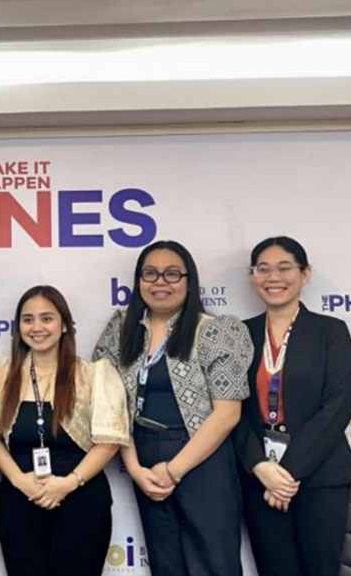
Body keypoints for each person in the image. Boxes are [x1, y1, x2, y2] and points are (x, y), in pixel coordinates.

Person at [93, 240, 253, 576]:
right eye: (150, 274)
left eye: (171, 274)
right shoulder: (121, 329)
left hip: (201, 456)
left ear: (189, 281)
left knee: (214, 562)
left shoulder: (214, 330)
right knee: (166, 563)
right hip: (143, 455)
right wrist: (135, 467)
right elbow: (110, 406)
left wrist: (173, 469)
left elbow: (227, 414)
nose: (160, 282)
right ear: (138, 281)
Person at [234, 236, 351, 576]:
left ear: (305, 274)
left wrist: (286, 475)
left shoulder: (330, 332)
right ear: (252, 277)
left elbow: (337, 406)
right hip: (260, 479)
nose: (274, 277)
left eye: (285, 268)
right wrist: (260, 466)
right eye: (264, 269)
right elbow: (232, 411)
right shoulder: (240, 335)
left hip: (320, 479)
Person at [0, 286, 129, 576]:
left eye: (46, 318)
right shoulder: (1, 374)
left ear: (64, 324)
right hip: (20, 498)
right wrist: (19, 481)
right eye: (27, 320)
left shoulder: (92, 374)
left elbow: (109, 440)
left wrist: (68, 483)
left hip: (81, 498)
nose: (37, 327)